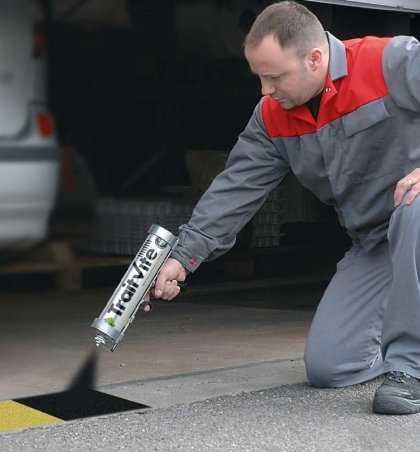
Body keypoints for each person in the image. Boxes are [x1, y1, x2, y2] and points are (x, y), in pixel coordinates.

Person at [150, 0, 420, 415]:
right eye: (259, 77)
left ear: (315, 58)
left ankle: (411, 369)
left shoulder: (390, 62)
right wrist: (183, 258)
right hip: (377, 242)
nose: (265, 90)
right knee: (331, 367)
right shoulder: (272, 116)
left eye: (275, 77)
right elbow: (234, 190)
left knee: (415, 207)